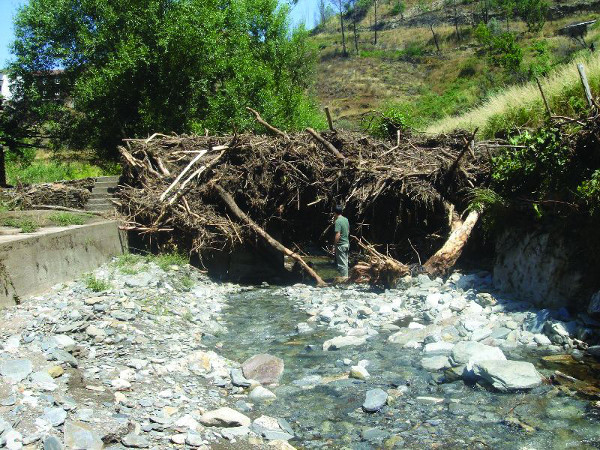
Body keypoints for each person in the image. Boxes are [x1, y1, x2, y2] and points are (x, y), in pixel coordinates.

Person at [333, 204, 350, 277]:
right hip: (346, 244)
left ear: (335, 212)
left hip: (341, 245)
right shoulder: (346, 219)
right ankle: (345, 280)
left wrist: (334, 245)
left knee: (342, 264)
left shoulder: (338, 221)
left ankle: (344, 282)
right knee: (345, 263)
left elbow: (338, 234)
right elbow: (348, 231)